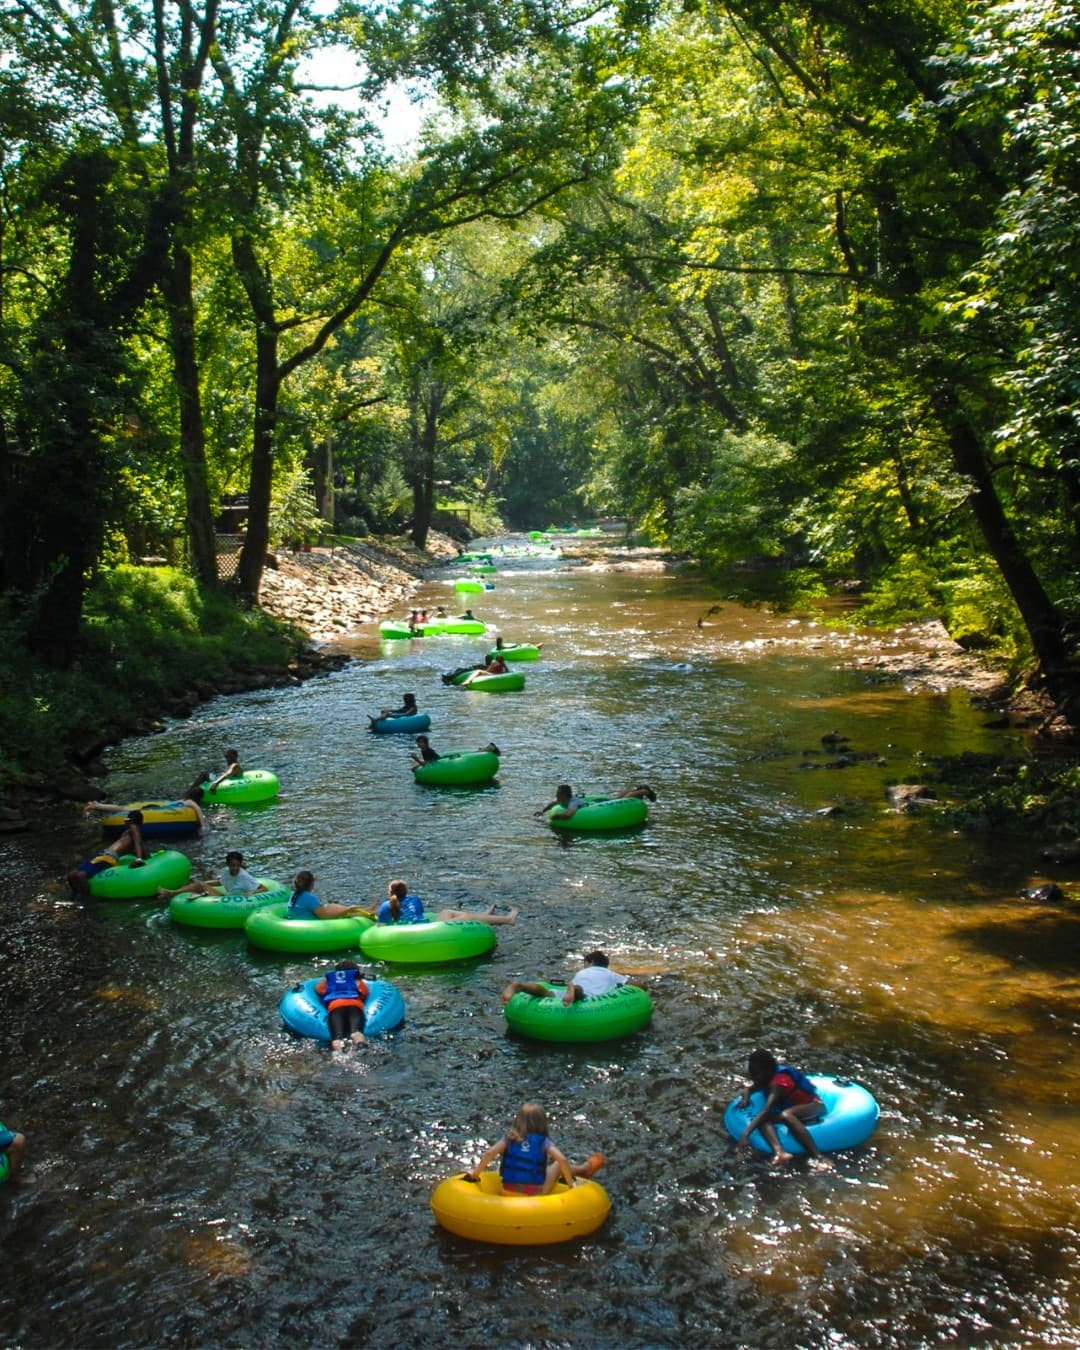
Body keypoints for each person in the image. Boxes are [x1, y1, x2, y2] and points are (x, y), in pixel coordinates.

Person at [463, 1103, 604, 1195]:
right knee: (556, 1166)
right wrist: (571, 1186)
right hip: (535, 1192)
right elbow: (561, 1159)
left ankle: (584, 1169)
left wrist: (475, 1175)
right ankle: (584, 1170)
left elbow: (490, 1153)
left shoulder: (510, 1138)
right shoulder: (543, 1142)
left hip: (507, 1191)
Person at [734, 1049, 833, 1172]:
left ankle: (818, 1156)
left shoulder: (779, 1082)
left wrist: (745, 1134)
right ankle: (780, 1153)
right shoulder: (766, 1077)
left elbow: (766, 1109)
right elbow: (749, 1089)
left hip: (813, 1106)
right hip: (792, 1109)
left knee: (786, 1115)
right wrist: (745, 1099)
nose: (755, 1077)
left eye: (756, 1074)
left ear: (766, 1070)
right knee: (761, 1120)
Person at [501, 950, 637, 1006]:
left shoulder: (583, 972)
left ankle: (519, 986)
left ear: (588, 963)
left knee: (546, 992)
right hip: (587, 996)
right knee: (581, 995)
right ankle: (574, 989)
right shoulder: (610, 974)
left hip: (569, 989)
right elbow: (638, 986)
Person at [67, 810, 148, 897]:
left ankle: (87, 900)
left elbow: (138, 843)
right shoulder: (127, 833)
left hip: (109, 857)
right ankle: (75, 896)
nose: (125, 822)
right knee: (71, 875)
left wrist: (139, 859)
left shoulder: (134, 827)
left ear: (131, 821)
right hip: (102, 855)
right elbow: (138, 846)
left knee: (80, 876)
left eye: (127, 820)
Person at [85, 781, 208, 838]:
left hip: (159, 808)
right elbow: (198, 811)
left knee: (122, 809)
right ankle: (96, 806)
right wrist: (203, 826)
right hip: (162, 810)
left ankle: (98, 806)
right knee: (123, 811)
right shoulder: (191, 802)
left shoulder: (183, 800)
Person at [375, 879, 519, 926]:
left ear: (390, 893)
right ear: (406, 891)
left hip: (410, 932)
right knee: (463, 915)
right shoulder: (414, 899)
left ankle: (485, 915)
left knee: (447, 912)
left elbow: (381, 926)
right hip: (425, 931)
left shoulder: (385, 906)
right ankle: (507, 919)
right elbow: (418, 914)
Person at [156, 849, 268, 901]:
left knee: (201, 886)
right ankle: (172, 893)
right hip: (227, 898)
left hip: (234, 900)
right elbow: (220, 882)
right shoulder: (225, 871)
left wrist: (253, 892)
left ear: (240, 864)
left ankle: (171, 893)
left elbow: (264, 888)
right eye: (232, 865)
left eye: (237, 865)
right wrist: (204, 884)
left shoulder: (244, 876)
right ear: (227, 864)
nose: (235, 868)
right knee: (200, 884)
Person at [314, 959, 369, 1050]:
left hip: (336, 1008)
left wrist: (327, 980)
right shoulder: (357, 981)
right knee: (356, 1032)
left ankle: (339, 1054)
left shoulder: (329, 982)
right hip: (355, 1007)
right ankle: (361, 1046)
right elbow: (365, 992)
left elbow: (319, 990)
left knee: (337, 1037)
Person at [535, 783, 657, 820]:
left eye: (558, 793)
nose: (556, 795)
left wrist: (557, 816)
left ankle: (645, 792)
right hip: (594, 805)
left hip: (594, 808)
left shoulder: (573, 803)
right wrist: (543, 811)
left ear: (563, 795)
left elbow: (569, 814)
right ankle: (636, 788)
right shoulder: (561, 800)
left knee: (626, 798)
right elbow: (553, 804)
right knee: (615, 798)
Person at [285, 871, 369, 921]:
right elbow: (324, 916)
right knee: (344, 913)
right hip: (310, 926)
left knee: (332, 906)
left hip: (296, 921)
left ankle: (365, 910)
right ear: (311, 884)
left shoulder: (294, 894)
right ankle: (366, 912)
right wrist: (347, 910)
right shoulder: (310, 898)